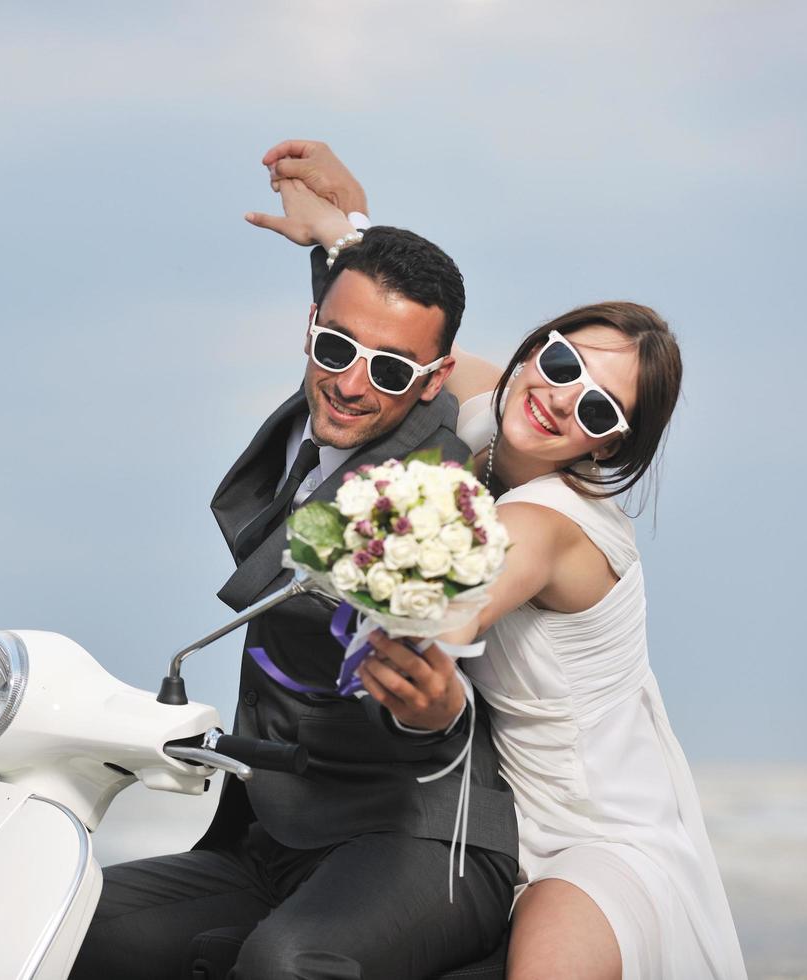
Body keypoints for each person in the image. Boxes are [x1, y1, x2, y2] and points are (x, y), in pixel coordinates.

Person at [250, 141, 748, 980]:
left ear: (613, 447)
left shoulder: (552, 518)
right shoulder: (489, 417)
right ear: (535, 349)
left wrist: (418, 650)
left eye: (596, 406)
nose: (558, 396)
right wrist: (348, 235)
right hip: (490, 815)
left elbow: (468, 596)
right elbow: (402, 353)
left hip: (594, 833)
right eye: (559, 362)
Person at [70, 227, 519, 980]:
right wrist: (338, 224)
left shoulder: (427, 496)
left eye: (389, 369)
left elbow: (428, 667)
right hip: (275, 832)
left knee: (287, 963)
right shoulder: (331, 395)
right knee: (60, 924)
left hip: (421, 839)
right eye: (335, 349)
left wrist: (427, 711)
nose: (349, 383)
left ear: (435, 379)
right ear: (312, 327)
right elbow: (362, 302)